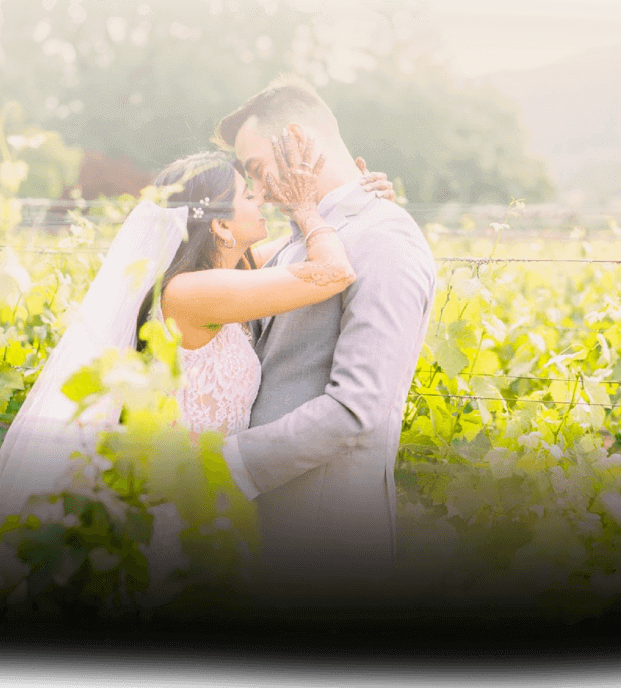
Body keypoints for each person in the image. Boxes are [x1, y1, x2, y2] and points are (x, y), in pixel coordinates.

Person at [0, 143, 395, 520]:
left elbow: (309, 242)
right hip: (177, 505)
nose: (260, 198)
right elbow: (333, 271)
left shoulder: (225, 275)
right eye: (247, 196)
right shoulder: (194, 292)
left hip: (208, 499)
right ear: (222, 225)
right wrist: (308, 211)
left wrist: (353, 202)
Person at [212, 73, 437, 606]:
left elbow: (359, 407)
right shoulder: (302, 239)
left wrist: (229, 467)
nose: (258, 191)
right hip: (267, 531)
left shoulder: (384, 239)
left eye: (256, 171)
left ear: (298, 138)